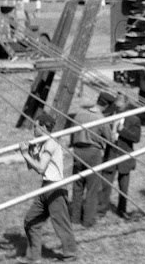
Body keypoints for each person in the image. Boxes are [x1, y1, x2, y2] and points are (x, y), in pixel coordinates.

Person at [18, 113, 77, 263]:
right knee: (31, 220)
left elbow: (40, 168)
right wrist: (31, 152)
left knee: (61, 224)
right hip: (45, 187)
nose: (33, 129)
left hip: (55, 188)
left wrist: (25, 154)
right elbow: (31, 166)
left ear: (43, 127)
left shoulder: (51, 143)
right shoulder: (42, 143)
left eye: (35, 126)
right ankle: (33, 257)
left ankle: (70, 255)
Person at [70, 92, 114, 227]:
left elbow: (72, 133)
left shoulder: (80, 114)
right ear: (106, 105)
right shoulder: (101, 118)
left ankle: (74, 217)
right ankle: (88, 220)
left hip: (77, 151)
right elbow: (110, 139)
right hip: (93, 153)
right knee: (92, 188)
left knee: (77, 186)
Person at [98, 94, 142, 219]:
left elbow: (136, 138)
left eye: (120, 103)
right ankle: (102, 209)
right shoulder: (109, 117)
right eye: (116, 103)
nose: (117, 105)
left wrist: (122, 130)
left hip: (125, 156)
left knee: (124, 186)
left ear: (126, 103)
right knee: (105, 184)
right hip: (110, 154)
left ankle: (122, 210)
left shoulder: (134, 119)